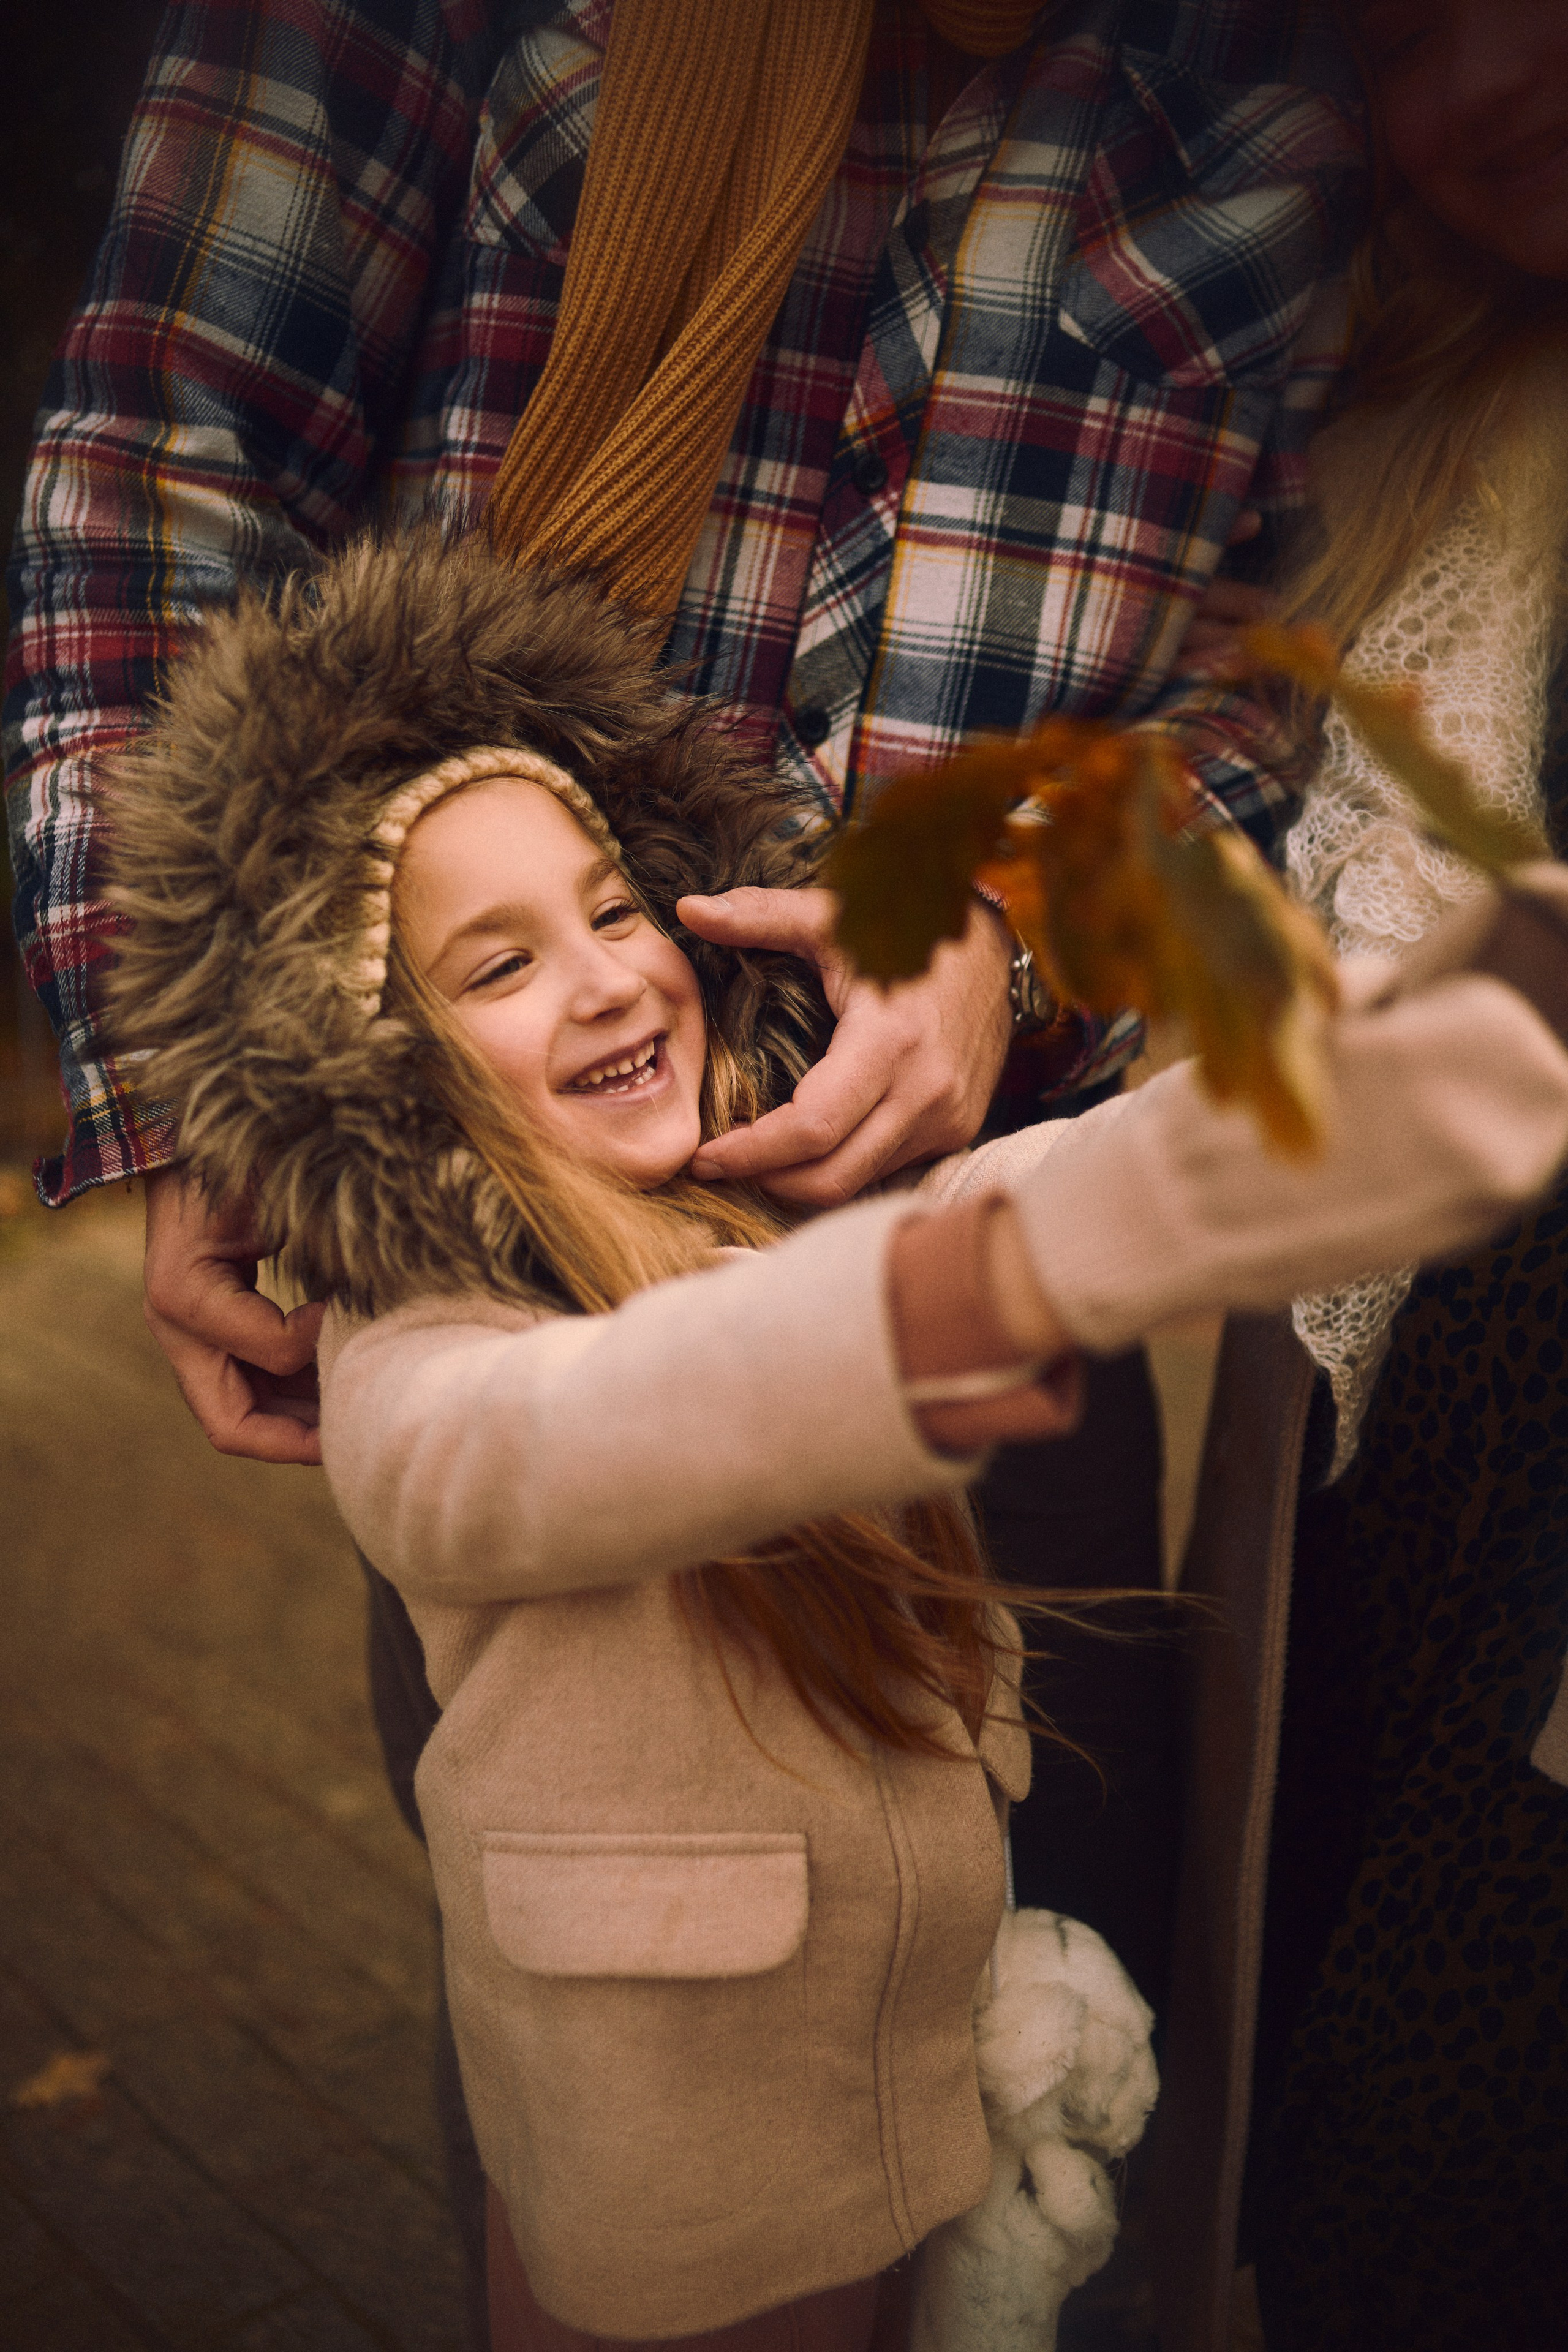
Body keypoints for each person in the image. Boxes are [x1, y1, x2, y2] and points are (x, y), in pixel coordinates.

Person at [4, 0, 1365, 2328]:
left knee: (1041, 2108)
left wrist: (1019, 922)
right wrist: (202, 1080)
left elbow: (1295, 673)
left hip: (982, 1268)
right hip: (510, 1258)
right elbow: (162, 463)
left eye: (623, 930)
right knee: (602, 2086)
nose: (625, 981)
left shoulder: (1294, 90)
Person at [101, 522, 1568, 2351]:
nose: (611, 977)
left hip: (900, 2081)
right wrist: (946, 1309)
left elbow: (1066, 1177)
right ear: (373, 1061)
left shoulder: (753, 1209)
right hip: (677, 2174)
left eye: (615, 907)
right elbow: (609, 1428)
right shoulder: (421, 1365)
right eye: (499, 967)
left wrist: (1338, 1096)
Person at [1150, 5, 1568, 2346]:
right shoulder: (1367, 436)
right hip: (1400, 1476)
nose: (1495, 81)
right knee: (1361, 2186)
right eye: (1415, 29)